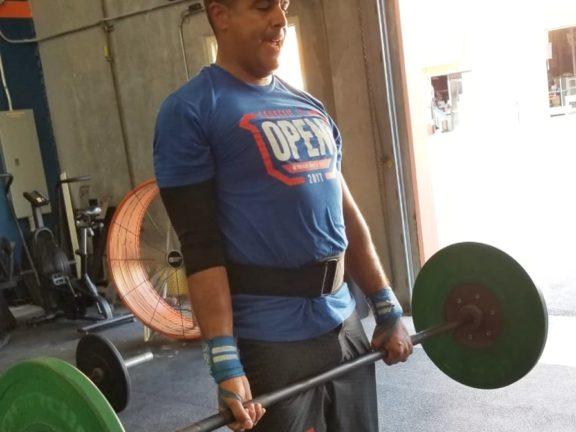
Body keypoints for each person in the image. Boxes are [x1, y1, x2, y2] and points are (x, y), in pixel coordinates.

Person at [153, 1, 413, 430]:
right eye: (262, 7)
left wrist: (386, 307)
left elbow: (347, 217)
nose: (279, 19)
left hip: (344, 321)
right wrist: (224, 362)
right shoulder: (191, 110)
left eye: (283, 5)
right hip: (271, 341)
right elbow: (200, 247)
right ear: (221, 15)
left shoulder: (309, 107)